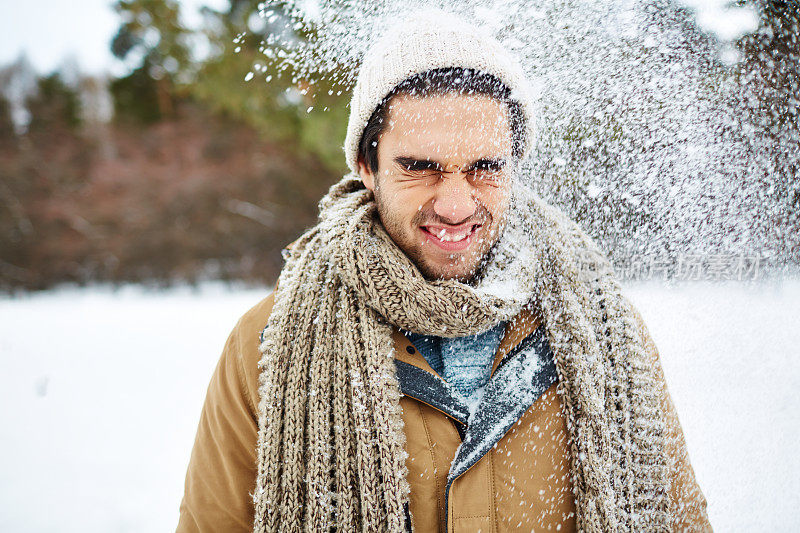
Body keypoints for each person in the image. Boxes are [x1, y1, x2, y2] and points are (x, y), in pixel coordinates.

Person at [177, 10, 712, 533]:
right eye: (418, 168)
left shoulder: (604, 334)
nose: (455, 205)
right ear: (366, 166)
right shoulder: (270, 344)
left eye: (485, 167)